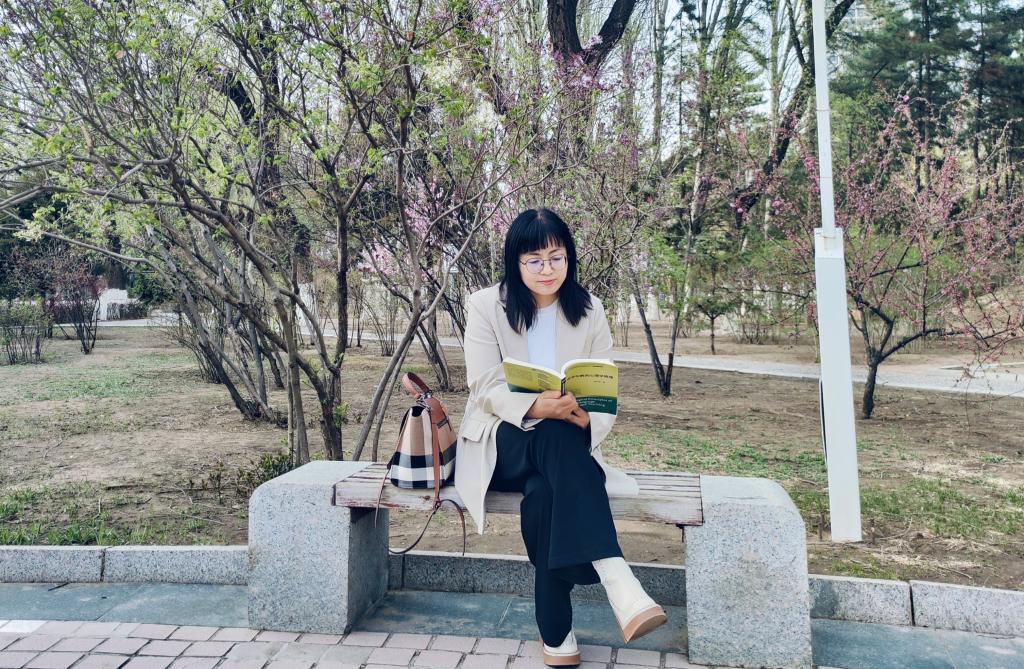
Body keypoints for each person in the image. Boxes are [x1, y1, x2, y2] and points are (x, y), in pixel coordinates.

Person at [454, 208, 667, 667]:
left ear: (569, 257)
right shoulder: (486, 305)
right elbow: (483, 386)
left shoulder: (589, 309)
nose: (547, 269)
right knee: (550, 433)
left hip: (564, 447)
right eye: (534, 260)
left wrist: (586, 419)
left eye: (557, 257)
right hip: (501, 441)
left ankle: (557, 635)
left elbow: (604, 390)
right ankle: (617, 576)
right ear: (515, 262)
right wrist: (535, 407)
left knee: (546, 492)